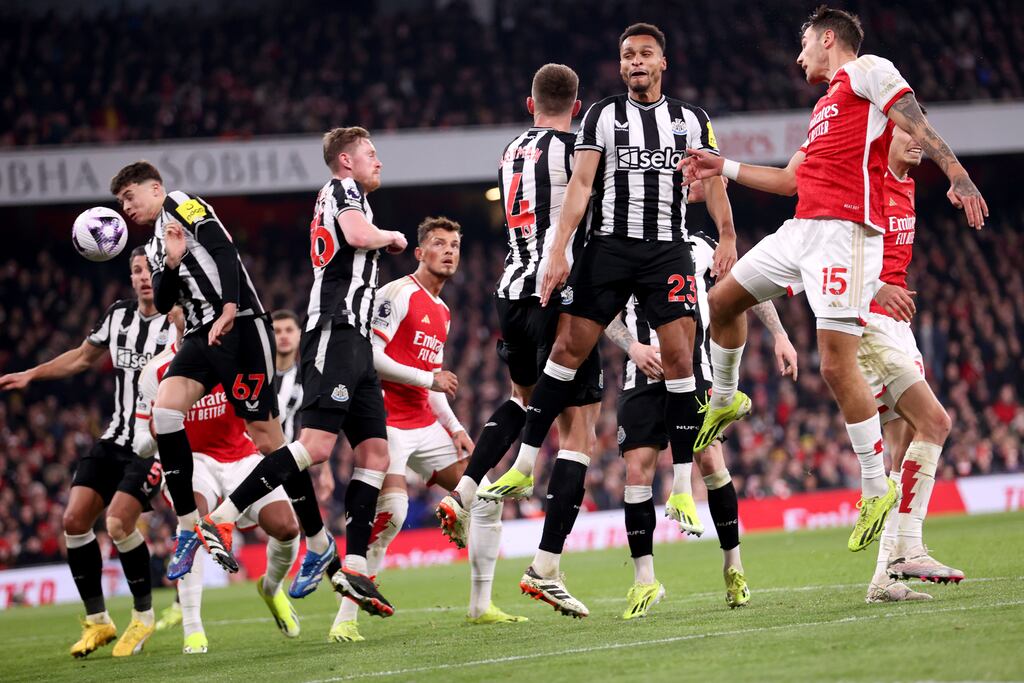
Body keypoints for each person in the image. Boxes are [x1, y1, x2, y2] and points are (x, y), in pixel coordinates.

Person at [680, 5, 987, 553]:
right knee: (721, 302)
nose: (798, 57)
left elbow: (913, 115)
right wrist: (718, 166)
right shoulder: (826, 107)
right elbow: (785, 180)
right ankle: (724, 399)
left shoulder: (868, 69)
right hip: (801, 229)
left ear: (828, 39)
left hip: (843, 233)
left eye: (803, 45)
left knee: (833, 362)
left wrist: (958, 174)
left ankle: (874, 487)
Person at [493, 23, 738, 618]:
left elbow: (711, 179)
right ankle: (525, 461)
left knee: (680, 359)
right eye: (627, 55)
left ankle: (682, 488)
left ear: (663, 62)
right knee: (567, 350)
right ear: (621, 64)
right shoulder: (600, 116)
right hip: (608, 248)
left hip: (665, 251)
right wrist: (558, 249)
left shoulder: (690, 119)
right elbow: (579, 185)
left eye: (644, 54)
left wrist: (728, 234)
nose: (635, 62)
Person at [201, 127, 407, 617]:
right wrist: (393, 237)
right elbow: (357, 235)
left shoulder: (347, 194)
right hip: (333, 328)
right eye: (370, 154)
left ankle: (353, 565)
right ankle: (224, 517)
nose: (378, 161)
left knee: (376, 452)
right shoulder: (341, 191)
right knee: (315, 448)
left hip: (355, 336)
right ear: (344, 161)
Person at [604, 180, 798, 618]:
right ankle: (644, 580)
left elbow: (748, 287)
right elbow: (606, 316)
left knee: (709, 460)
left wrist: (781, 335)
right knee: (637, 469)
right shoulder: (625, 248)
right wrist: (633, 347)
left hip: (697, 371)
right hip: (642, 372)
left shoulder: (704, 245)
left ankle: (734, 566)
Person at [330, 216, 527, 643]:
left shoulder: (442, 312)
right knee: (393, 514)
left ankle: (480, 605)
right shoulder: (397, 294)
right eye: (439, 244)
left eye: (455, 244)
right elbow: (372, 357)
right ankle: (345, 618)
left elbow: (431, 375)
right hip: (386, 423)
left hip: (424, 422)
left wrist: (454, 427)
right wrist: (428, 380)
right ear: (420, 253)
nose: (449, 251)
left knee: (486, 496)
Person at [434, 63, 601, 548]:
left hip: (510, 291)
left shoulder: (510, 151)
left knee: (520, 398)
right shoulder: (578, 150)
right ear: (577, 107)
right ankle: (549, 562)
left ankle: (465, 488)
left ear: (530, 105)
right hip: (559, 290)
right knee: (579, 431)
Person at [110, 162, 290, 579]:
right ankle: (191, 526)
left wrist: (230, 304)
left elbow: (225, 249)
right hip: (198, 334)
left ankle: (315, 538)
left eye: (129, 197)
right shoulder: (156, 244)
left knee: (271, 442)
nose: (126, 208)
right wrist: (171, 263)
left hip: (239, 326)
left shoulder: (181, 204)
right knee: (167, 411)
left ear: (154, 188)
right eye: (120, 203)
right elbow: (163, 296)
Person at [0, 247, 174, 657]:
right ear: (130, 278)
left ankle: (143, 619)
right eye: (137, 270)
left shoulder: (178, 319)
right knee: (74, 520)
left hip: (155, 444)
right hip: (114, 437)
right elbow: (81, 358)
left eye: (150, 268)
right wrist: (32, 373)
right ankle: (98, 622)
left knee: (116, 524)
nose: (144, 276)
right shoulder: (118, 316)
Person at [137, 317, 301, 654]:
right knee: (194, 524)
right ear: (173, 314)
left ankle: (270, 588)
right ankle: (193, 630)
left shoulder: (230, 353)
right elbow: (146, 436)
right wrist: (154, 434)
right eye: (186, 304)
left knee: (286, 527)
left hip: (240, 456)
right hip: (192, 460)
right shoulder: (155, 371)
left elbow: (254, 409)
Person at [859, 115, 964, 602]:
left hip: (898, 327)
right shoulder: (872, 175)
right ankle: (911, 548)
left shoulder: (908, 188)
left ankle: (884, 577)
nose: (918, 142)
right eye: (910, 134)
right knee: (936, 422)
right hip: (868, 322)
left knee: (901, 454)